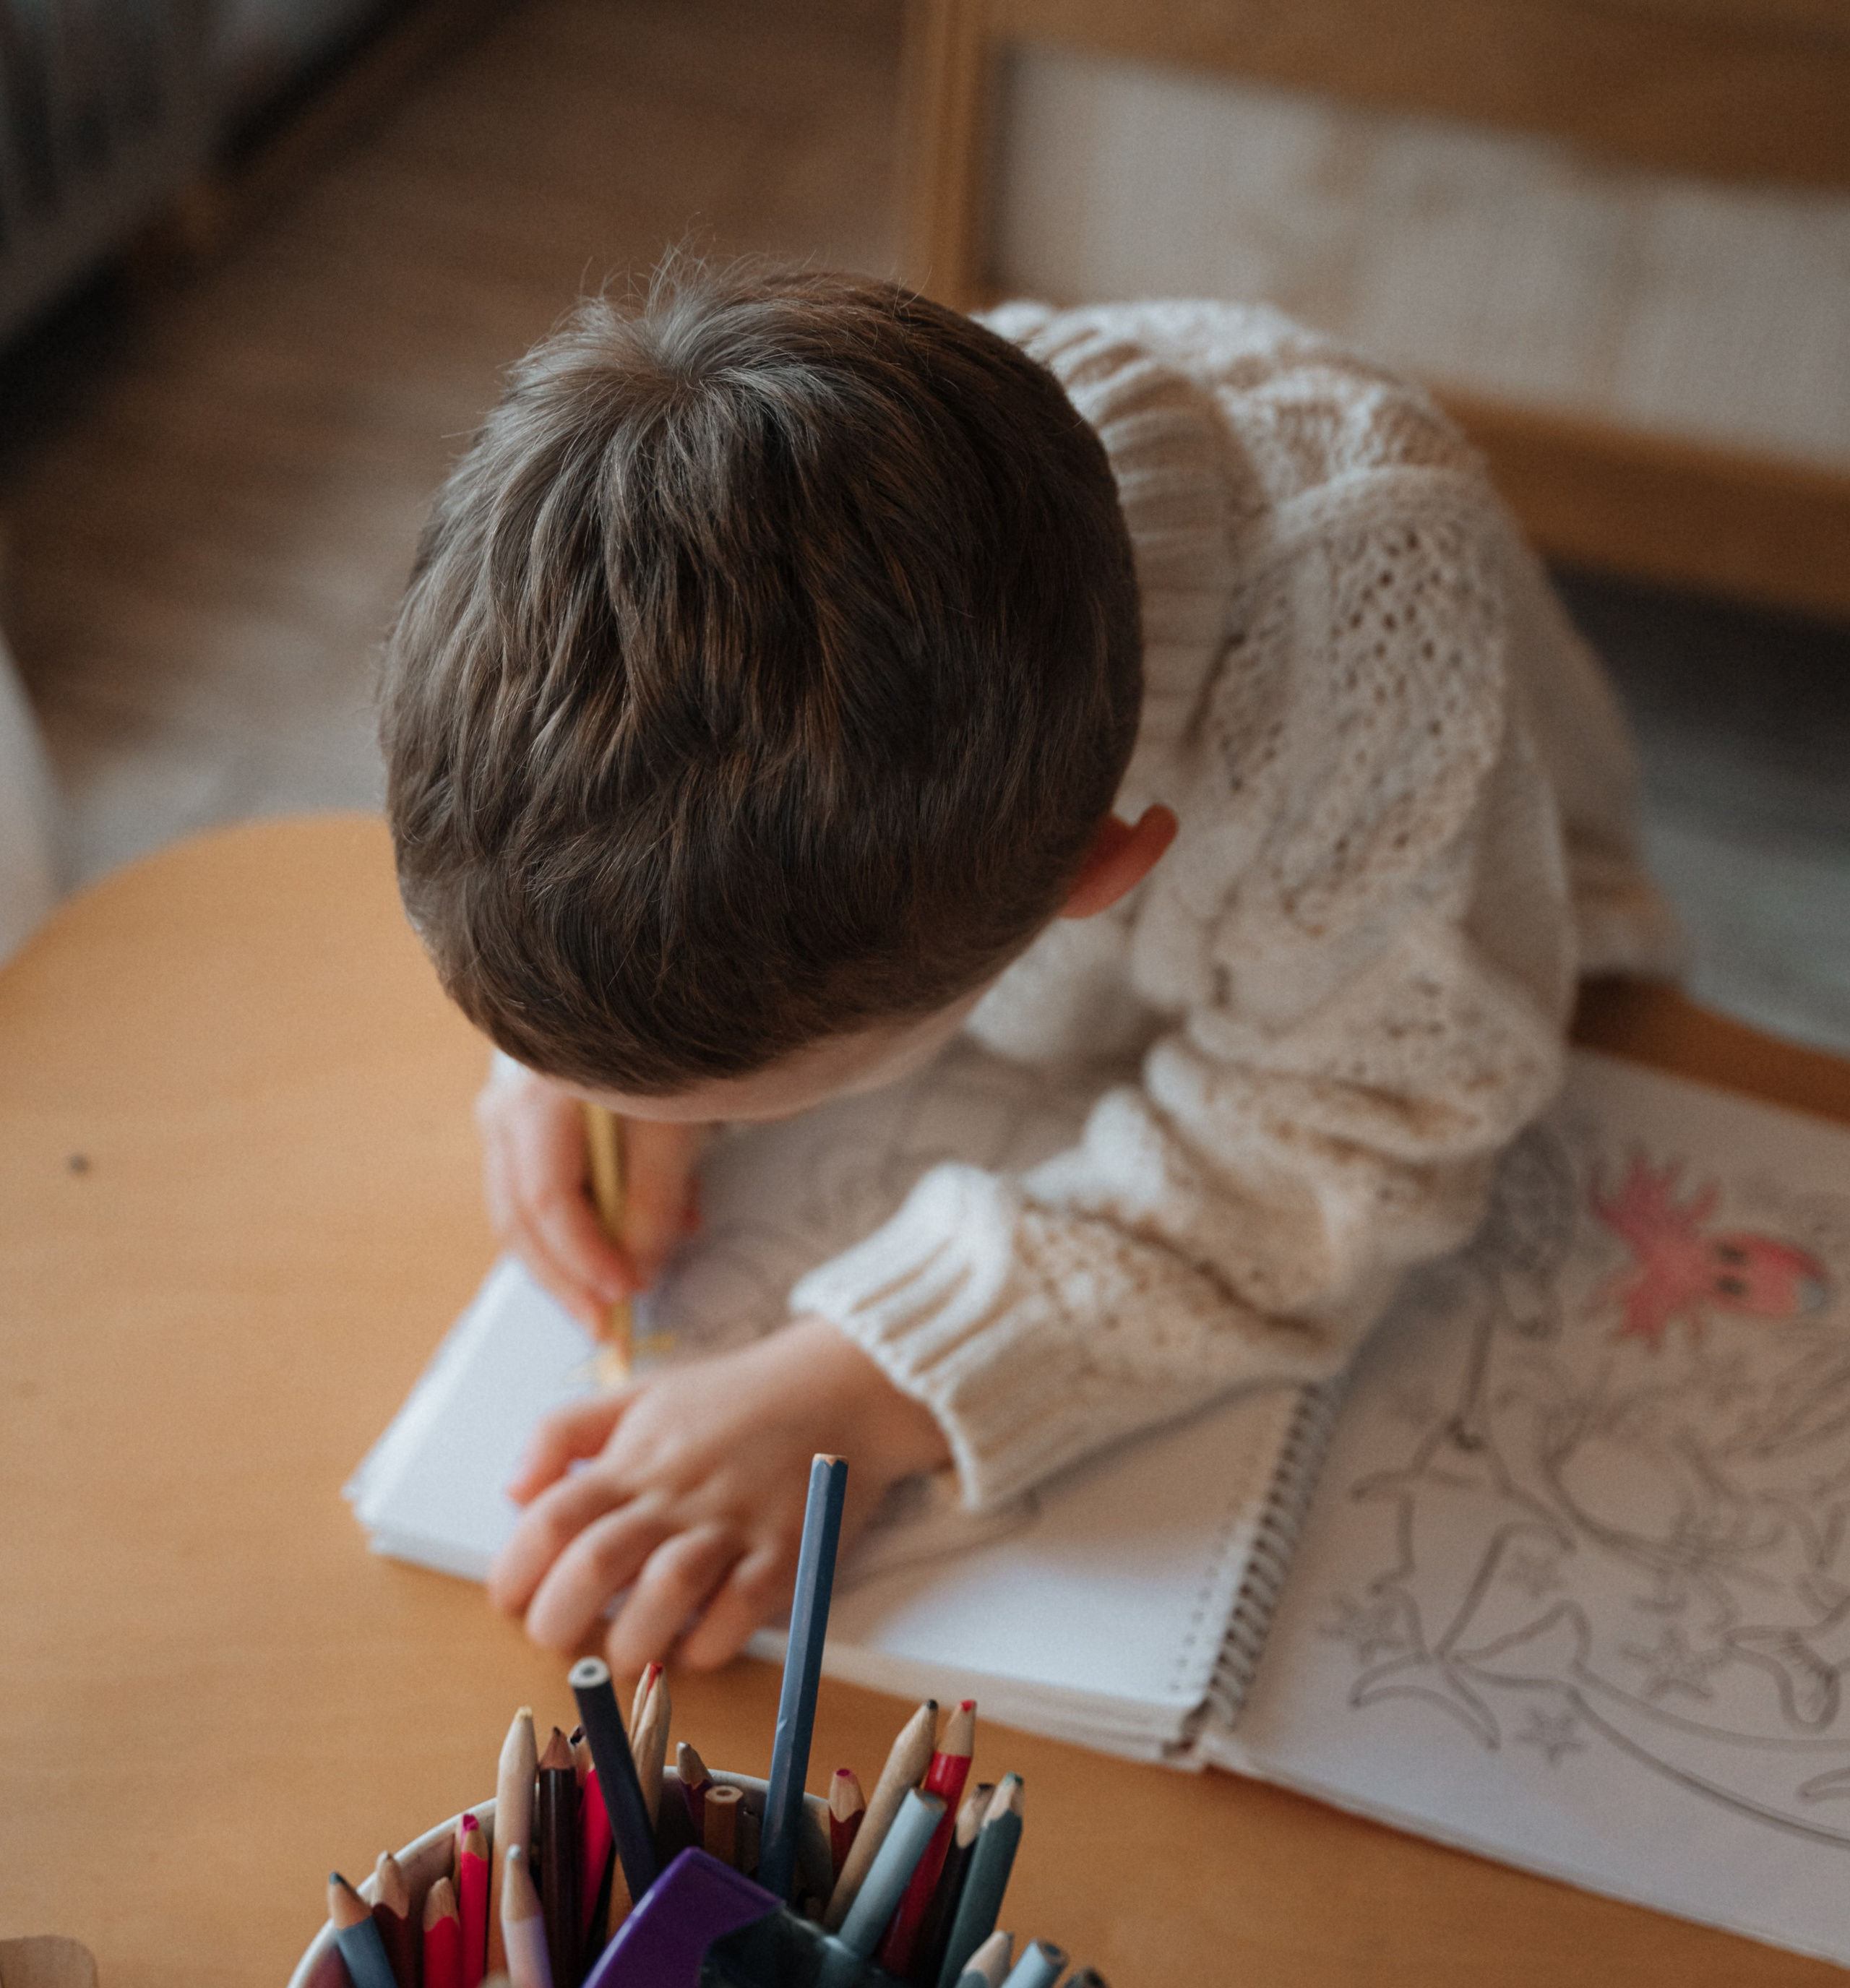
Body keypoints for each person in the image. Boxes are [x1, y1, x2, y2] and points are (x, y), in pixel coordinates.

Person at [379, 261, 1679, 1679]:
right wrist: (581, 1047)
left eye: (747, 1106)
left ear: (1092, 882)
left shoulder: (1362, 633)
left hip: (1477, 962)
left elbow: (1354, 1126)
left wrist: (867, 1381)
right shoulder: (840, 471)